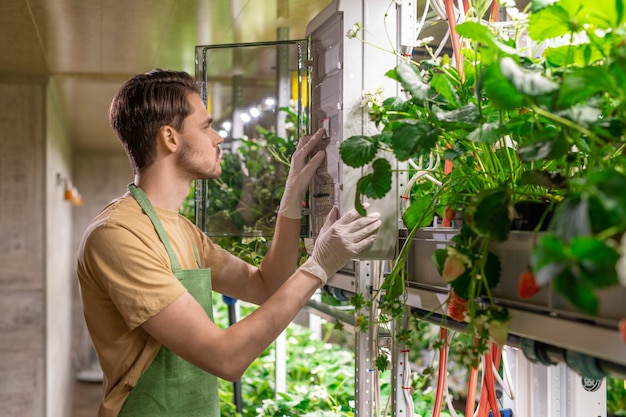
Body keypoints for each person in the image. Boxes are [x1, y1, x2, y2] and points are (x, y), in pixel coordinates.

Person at [76, 68, 382, 417]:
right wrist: (319, 266)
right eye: (206, 126)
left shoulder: (183, 230)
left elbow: (266, 285)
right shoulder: (118, 235)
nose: (218, 137)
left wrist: (291, 198)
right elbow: (225, 358)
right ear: (170, 138)